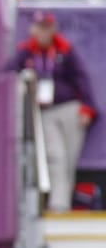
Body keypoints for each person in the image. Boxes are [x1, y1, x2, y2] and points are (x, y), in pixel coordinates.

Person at [13, 11, 98, 212]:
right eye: (39, 27)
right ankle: (58, 205)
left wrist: (88, 107)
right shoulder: (26, 52)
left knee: (69, 159)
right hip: (47, 111)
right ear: (32, 29)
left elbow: (82, 80)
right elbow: (8, 74)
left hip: (70, 110)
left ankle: (63, 204)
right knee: (56, 157)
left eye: (47, 27)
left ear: (53, 29)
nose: (43, 32)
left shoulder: (64, 50)